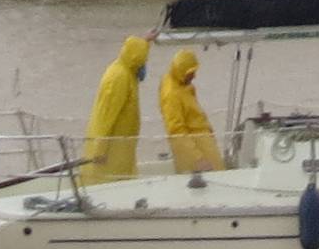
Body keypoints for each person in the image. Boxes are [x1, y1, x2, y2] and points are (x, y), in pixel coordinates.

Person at [81, 35, 150, 186]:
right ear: (136, 61)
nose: (144, 66)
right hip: (111, 153)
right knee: (111, 184)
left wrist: (146, 41)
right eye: (143, 62)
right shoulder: (119, 77)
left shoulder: (127, 71)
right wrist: (100, 150)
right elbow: (105, 118)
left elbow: (137, 51)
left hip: (122, 149)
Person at [158, 45, 224, 174]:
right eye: (191, 73)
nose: (194, 76)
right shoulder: (172, 94)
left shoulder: (180, 83)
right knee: (217, 181)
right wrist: (198, 158)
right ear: (181, 71)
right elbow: (176, 131)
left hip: (201, 142)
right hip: (196, 147)